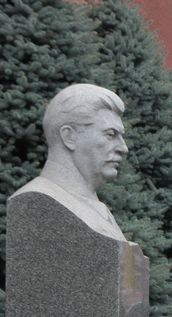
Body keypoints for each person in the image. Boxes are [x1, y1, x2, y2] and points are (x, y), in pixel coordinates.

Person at [14, 83, 128, 240]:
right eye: (110, 134)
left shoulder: (95, 205)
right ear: (69, 137)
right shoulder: (40, 200)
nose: (123, 148)